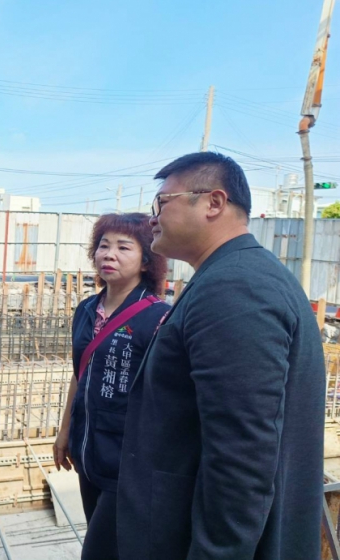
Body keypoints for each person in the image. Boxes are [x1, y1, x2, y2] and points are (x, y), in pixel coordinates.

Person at [117, 152, 325, 560]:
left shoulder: (234, 288)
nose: (152, 218)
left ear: (213, 202)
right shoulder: (233, 274)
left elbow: (242, 457)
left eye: (162, 202)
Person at [54, 213, 170, 560]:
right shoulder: (86, 309)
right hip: (88, 451)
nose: (109, 254)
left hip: (128, 460)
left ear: (146, 260)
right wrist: (65, 432)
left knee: (100, 550)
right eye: (104, 246)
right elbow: (80, 372)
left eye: (123, 247)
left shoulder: (159, 317)